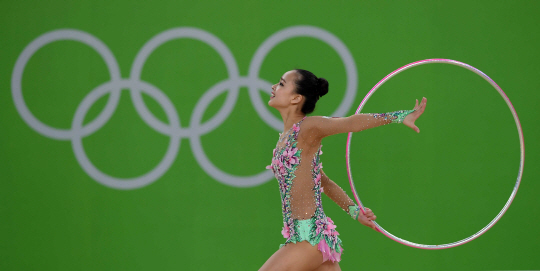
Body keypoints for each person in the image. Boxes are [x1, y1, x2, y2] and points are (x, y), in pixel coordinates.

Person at [259, 69, 427, 271]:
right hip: (314, 239)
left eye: (282, 83)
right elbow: (323, 181)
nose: (273, 87)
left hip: (309, 240)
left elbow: (351, 123)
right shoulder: (286, 138)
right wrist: (355, 211)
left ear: (296, 98)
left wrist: (399, 116)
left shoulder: (308, 128)